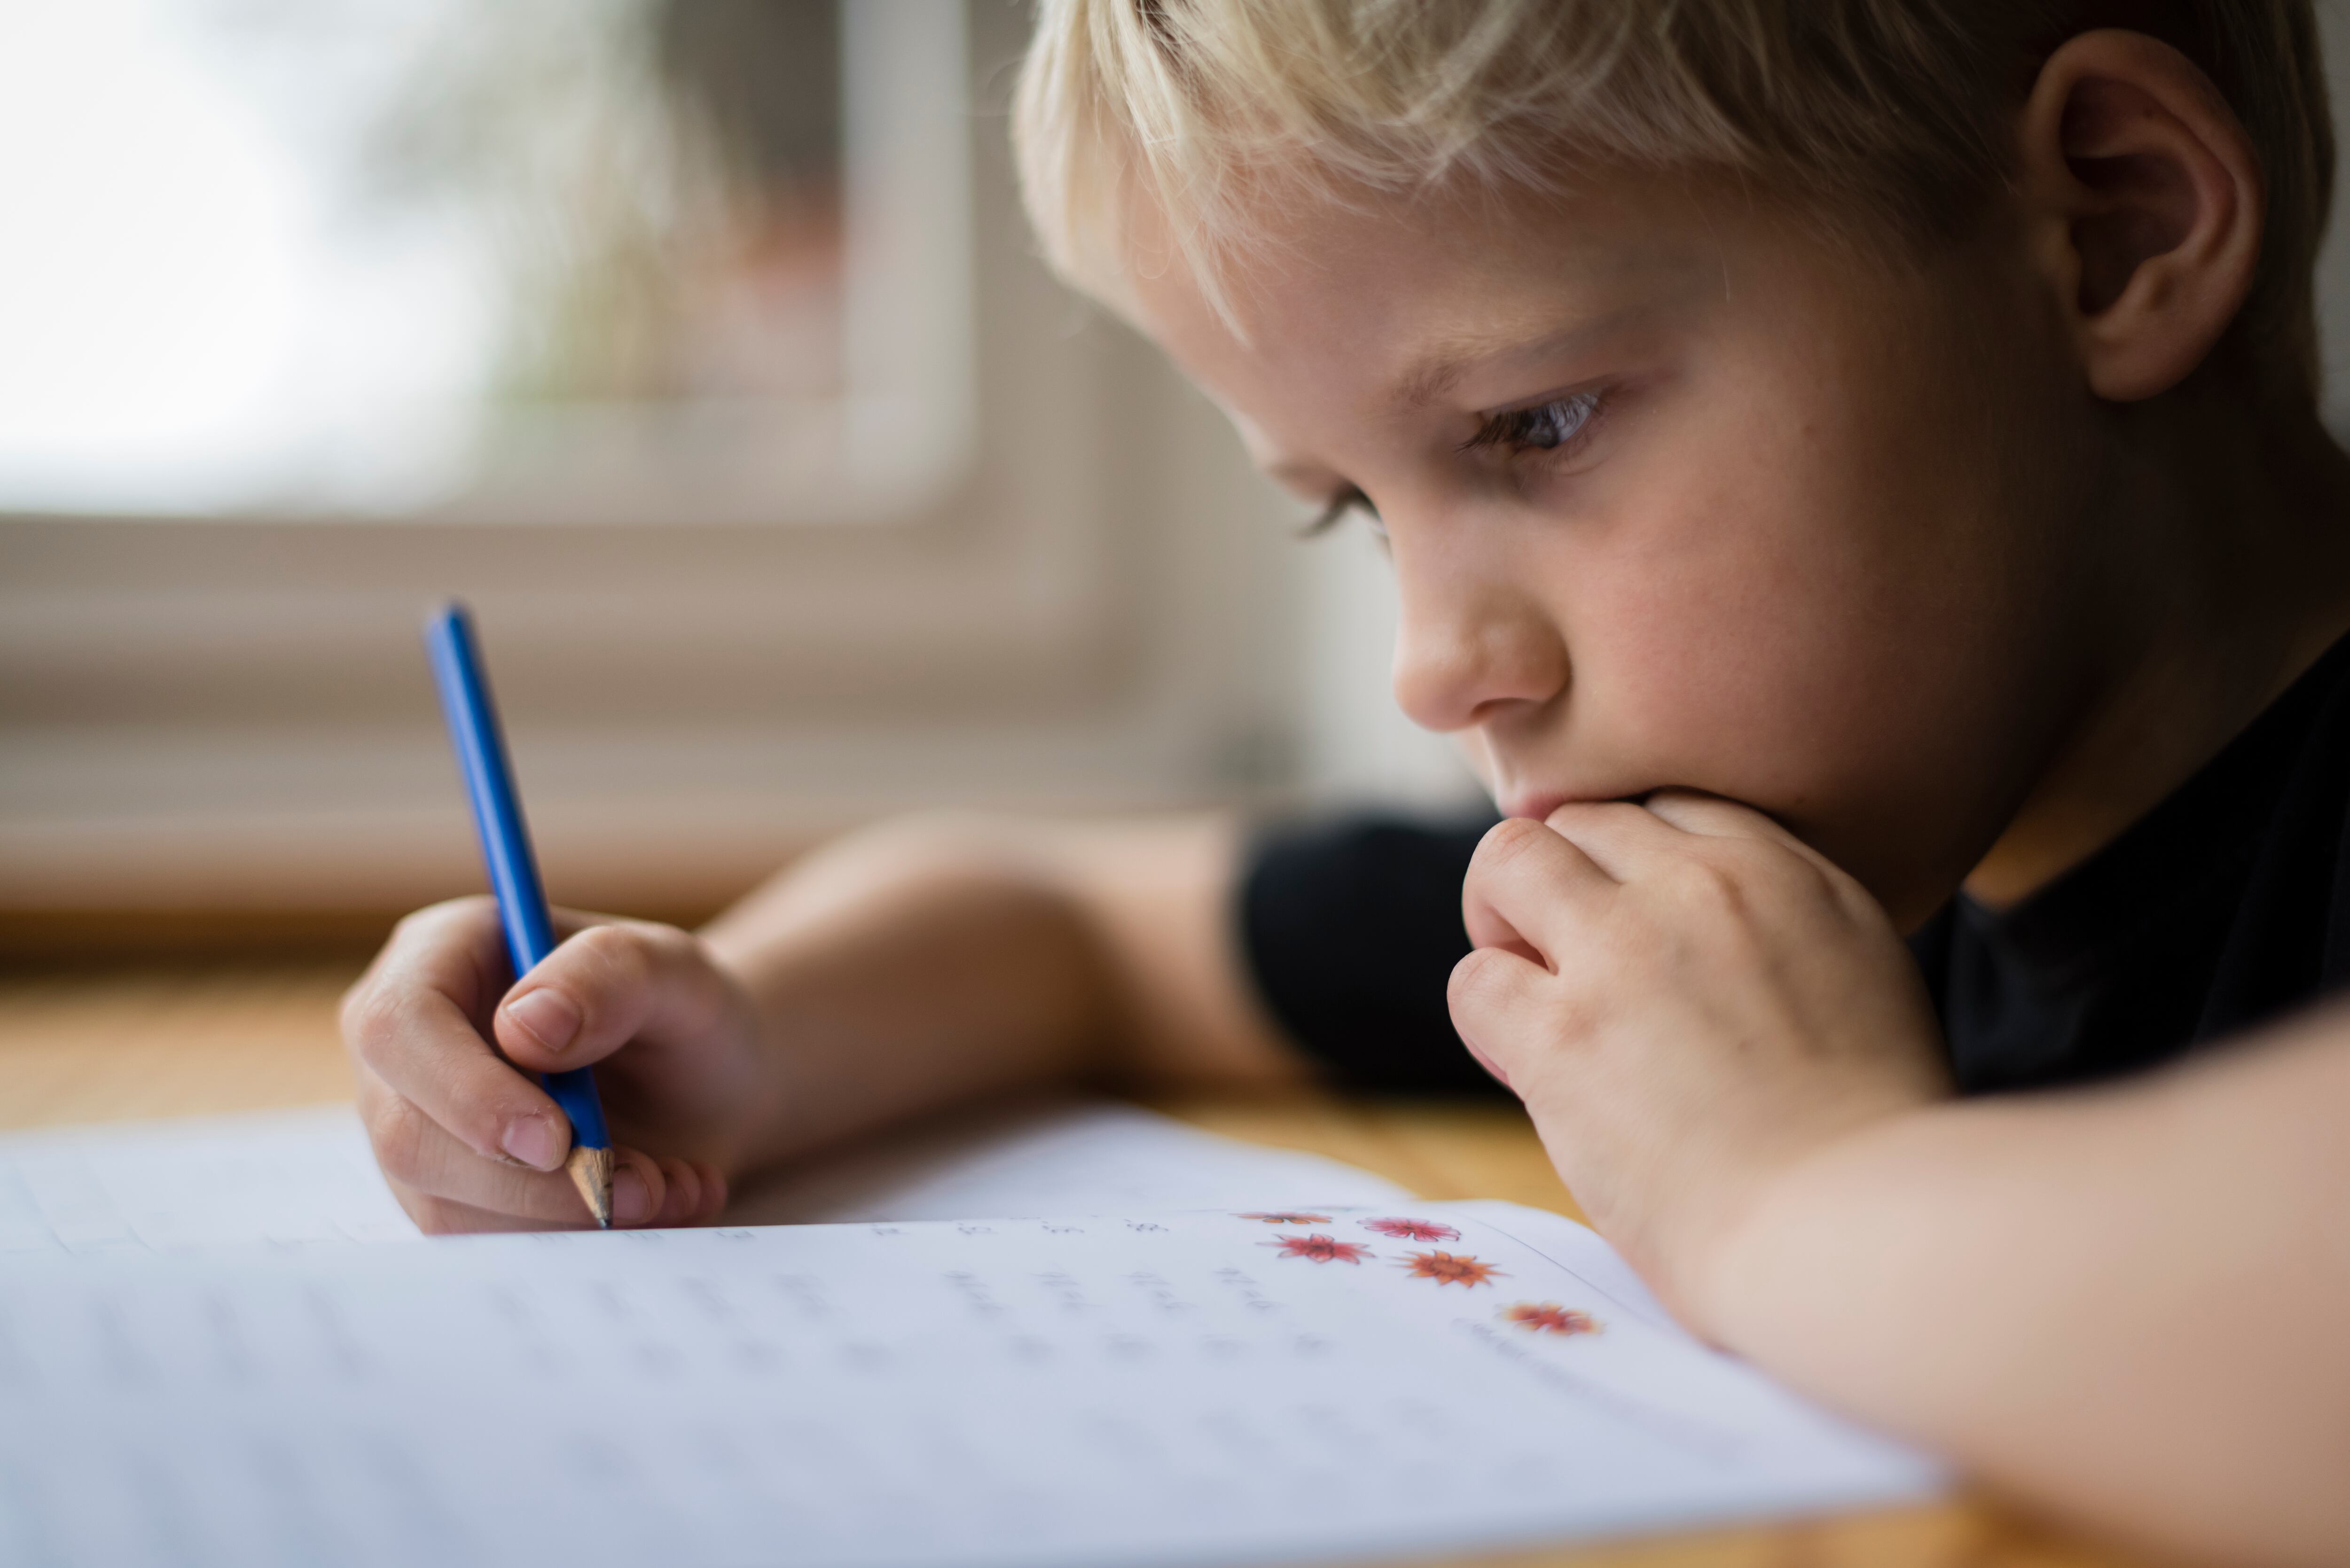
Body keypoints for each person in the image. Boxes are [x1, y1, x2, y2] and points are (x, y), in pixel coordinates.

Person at [341, 3, 2350, 1560]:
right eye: (1352, 513)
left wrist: (1793, 1194)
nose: (1429, 665)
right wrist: (740, 1027)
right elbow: (1063, 918)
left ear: (2112, 228)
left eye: (1534, 426)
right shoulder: (1800, 849)